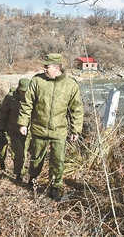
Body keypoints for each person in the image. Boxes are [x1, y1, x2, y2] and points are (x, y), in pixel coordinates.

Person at [17, 53, 84, 201]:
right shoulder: (37, 81)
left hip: (59, 131)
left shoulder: (70, 85)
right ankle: (33, 178)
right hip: (39, 128)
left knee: (57, 161)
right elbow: (27, 104)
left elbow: (76, 109)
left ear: (56, 67)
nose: (44, 69)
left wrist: (75, 129)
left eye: (47, 67)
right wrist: (23, 123)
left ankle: (55, 187)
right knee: (36, 159)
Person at [0, 78, 31, 183]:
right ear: (18, 88)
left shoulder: (32, 97)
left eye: (26, 91)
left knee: (24, 152)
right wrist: (0, 128)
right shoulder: (10, 98)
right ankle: (19, 173)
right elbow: (2, 114)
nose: (24, 93)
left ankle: (21, 170)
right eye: (22, 90)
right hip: (13, 130)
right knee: (19, 152)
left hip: (28, 131)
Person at [0, 87, 16, 171]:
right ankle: (2, 163)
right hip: (3, 130)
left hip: (14, 131)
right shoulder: (0, 104)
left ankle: (17, 168)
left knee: (16, 150)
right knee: (2, 149)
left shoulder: (20, 104)